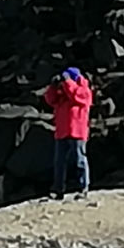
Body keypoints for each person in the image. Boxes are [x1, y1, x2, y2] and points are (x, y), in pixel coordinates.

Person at [42, 66, 93, 198]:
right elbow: (50, 100)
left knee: (79, 160)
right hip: (62, 131)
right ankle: (58, 189)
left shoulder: (84, 90)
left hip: (77, 131)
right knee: (59, 162)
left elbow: (76, 96)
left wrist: (68, 82)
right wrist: (53, 87)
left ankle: (83, 187)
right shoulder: (62, 93)